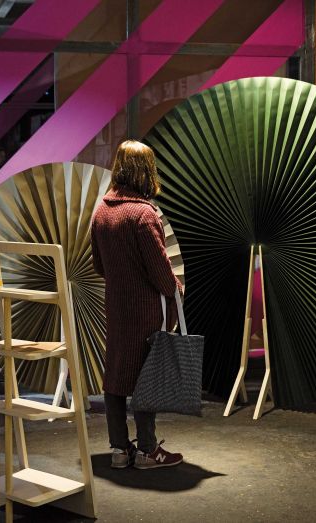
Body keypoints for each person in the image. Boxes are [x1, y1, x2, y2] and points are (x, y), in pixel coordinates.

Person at [90, 139, 184, 470]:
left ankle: (119, 450)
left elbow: (98, 265)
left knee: (115, 375)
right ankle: (147, 451)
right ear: (146, 172)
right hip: (146, 311)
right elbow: (161, 272)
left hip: (116, 308)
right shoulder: (143, 214)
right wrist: (177, 289)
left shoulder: (101, 210)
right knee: (147, 378)